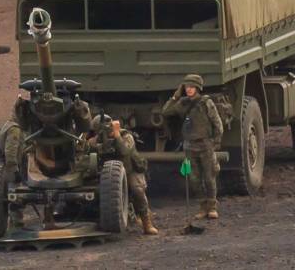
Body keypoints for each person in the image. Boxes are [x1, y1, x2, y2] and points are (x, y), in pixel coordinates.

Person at [0, 94, 93, 229]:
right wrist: (14, 169)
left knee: (14, 191)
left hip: (12, 163)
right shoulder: (14, 130)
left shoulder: (9, 126)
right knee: (13, 190)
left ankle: (17, 223)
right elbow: (11, 153)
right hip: (13, 164)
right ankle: (16, 223)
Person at [162, 74, 223, 220]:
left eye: (192, 87)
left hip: (205, 144)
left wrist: (215, 142)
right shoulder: (183, 103)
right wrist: (175, 96)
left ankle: (212, 206)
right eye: (187, 87)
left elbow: (217, 123)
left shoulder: (205, 103)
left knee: (209, 177)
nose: (189, 90)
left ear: (198, 88)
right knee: (194, 179)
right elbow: (166, 112)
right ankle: (202, 206)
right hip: (189, 146)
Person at [88, 114, 158, 235]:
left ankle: (147, 222)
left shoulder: (126, 136)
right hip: (110, 172)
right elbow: (88, 148)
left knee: (137, 191)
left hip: (130, 170)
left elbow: (124, 151)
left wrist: (117, 135)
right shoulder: (97, 139)